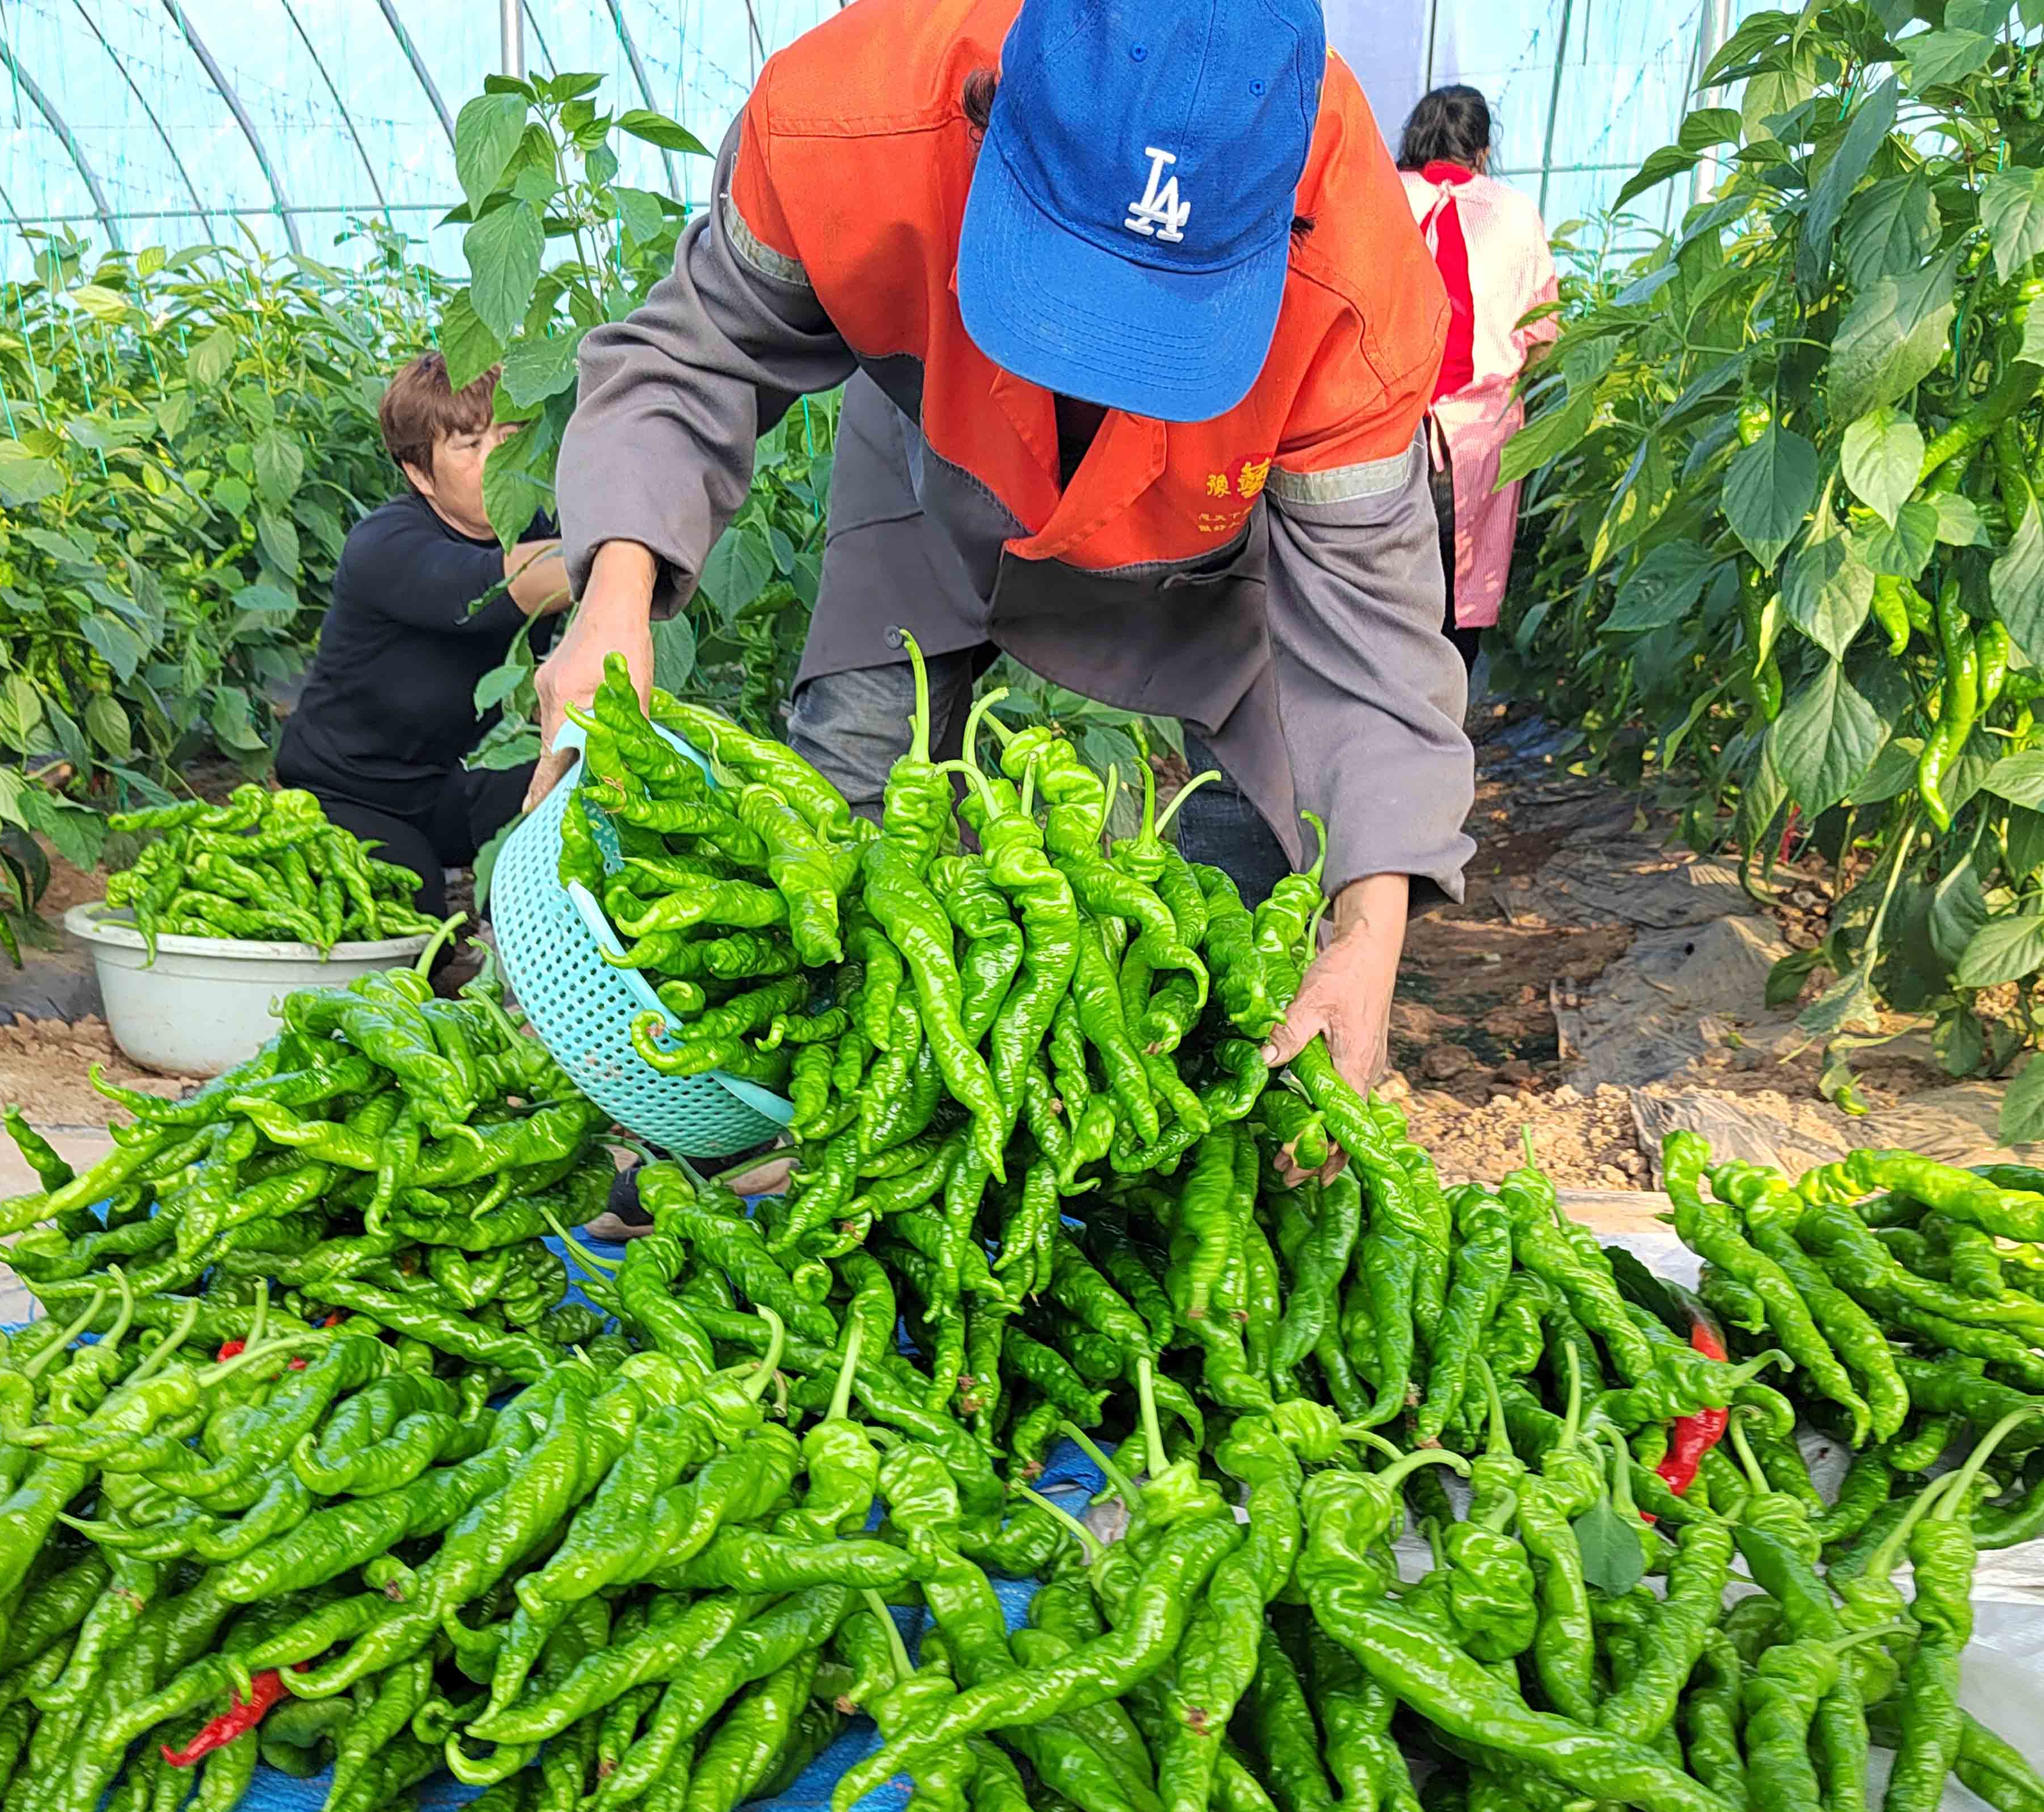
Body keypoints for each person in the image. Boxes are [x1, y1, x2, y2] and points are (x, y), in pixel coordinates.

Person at [530, 0, 1476, 1104]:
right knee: (850, 810)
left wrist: (1370, 936)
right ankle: (813, 1113)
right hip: (941, 443)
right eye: (1072, 287)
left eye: (1157, 317)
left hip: (1211, 546)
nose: (1097, 364)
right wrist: (611, 604)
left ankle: (1195, 1127)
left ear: (1284, 228)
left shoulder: (1354, 283)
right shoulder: (855, 121)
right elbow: (692, 353)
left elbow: (1374, 631)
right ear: (991, 118)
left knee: (1280, 907)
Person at [277, 353, 570, 920]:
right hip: (353, 792)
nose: (499, 460)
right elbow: (497, 584)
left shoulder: (537, 527)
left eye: (510, 437)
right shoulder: (385, 545)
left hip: (453, 786)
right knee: (415, 918)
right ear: (419, 472)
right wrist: (625, 553)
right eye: (471, 446)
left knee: (576, 783)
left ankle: (525, 948)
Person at [1397, 86, 1558, 672]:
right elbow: (1541, 338)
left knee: (1376, 589)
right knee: (1458, 590)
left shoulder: (1383, 197)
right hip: (1478, 437)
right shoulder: (1515, 214)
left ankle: (1369, 735)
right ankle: (1441, 734)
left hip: (1384, 427)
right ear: (1483, 151)